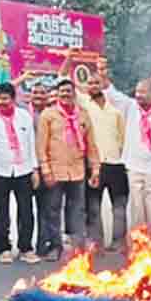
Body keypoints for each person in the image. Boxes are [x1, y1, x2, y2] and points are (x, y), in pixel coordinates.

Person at [99, 58, 151, 234]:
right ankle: (138, 242)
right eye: (137, 92)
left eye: (143, 92)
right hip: (134, 165)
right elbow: (112, 94)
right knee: (136, 207)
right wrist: (104, 77)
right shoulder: (130, 107)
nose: (139, 95)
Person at [37, 78, 99, 259]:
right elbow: (41, 145)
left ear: (74, 94)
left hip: (77, 171)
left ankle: (76, 247)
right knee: (52, 210)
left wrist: (95, 169)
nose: (65, 95)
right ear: (57, 94)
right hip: (55, 171)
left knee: (77, 210)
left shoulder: (83, 115)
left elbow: (91, 144)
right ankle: (55, 246)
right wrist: (45, 170)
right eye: (62, 91)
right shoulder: (48, 115)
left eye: (69, 91)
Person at [0, 81, 39, 263]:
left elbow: (31, 143)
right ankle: (2, 247)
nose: (0, 102)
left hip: (23, 169)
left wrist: (35, 169)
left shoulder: (24, 116)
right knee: (1, 210)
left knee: (26, 210)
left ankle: (26, 248)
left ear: (13, 99)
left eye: (5, 99)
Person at [79, 72, 128, 252]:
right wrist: (68, 58)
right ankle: (96, 242)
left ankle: (118, 241)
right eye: (89, 83)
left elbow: (123, 139)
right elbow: (62, 78)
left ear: (103, 85)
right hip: (94, 165)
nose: (93, 86)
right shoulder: (84, 106)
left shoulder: (116, 112)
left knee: (119, 205)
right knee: (93, 205)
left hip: (116, 164)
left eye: (96, 83)